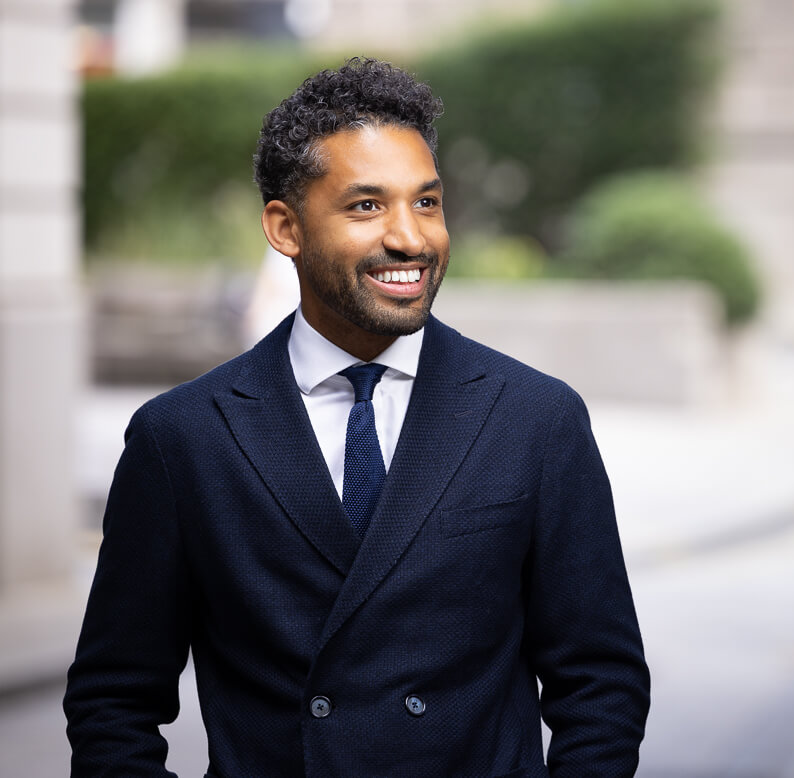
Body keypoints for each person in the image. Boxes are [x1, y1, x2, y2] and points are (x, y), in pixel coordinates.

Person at [64, 57, 650, 777]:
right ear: (285, 227)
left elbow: (601, 684)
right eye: (367, 206)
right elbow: (113, 701)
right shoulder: (182, 438)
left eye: (427, 203)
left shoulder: (536, 418)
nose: (411, 238)